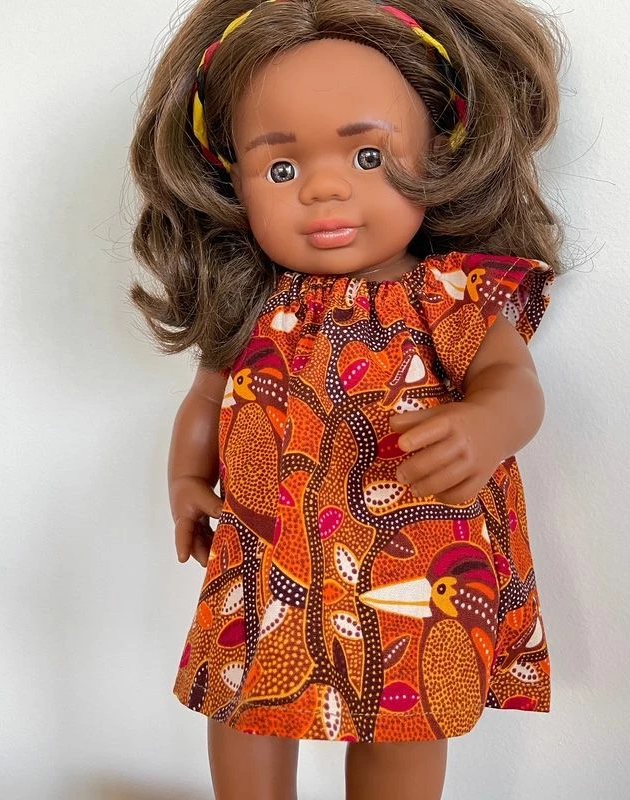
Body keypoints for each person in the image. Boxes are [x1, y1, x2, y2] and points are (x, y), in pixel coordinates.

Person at [128, 1, 565, 797]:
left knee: (407, 711)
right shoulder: (257, 304)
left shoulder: (451, 296)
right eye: (281, 169)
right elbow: (208, 394)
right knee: (248, 698)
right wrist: (187, 480)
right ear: (233, 181)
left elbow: (515, 383)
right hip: (270, 544)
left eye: (368, 156)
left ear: (438, 155)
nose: (324, 188)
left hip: (413, 547)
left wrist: (486, 426)